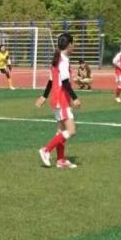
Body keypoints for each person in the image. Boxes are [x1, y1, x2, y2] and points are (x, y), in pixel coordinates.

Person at [35, 33, 81, 169]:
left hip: (57, 99)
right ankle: (46, 150)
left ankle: (60, 160)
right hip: (61, 99)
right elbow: (65, 82)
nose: (74, 46)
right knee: (71, 130)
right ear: (69, 45)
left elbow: (51, 81)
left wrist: (44, 96)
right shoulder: (63, 60)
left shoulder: (57, 59)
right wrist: (75, 98)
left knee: (61, 131)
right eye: (73, 44)